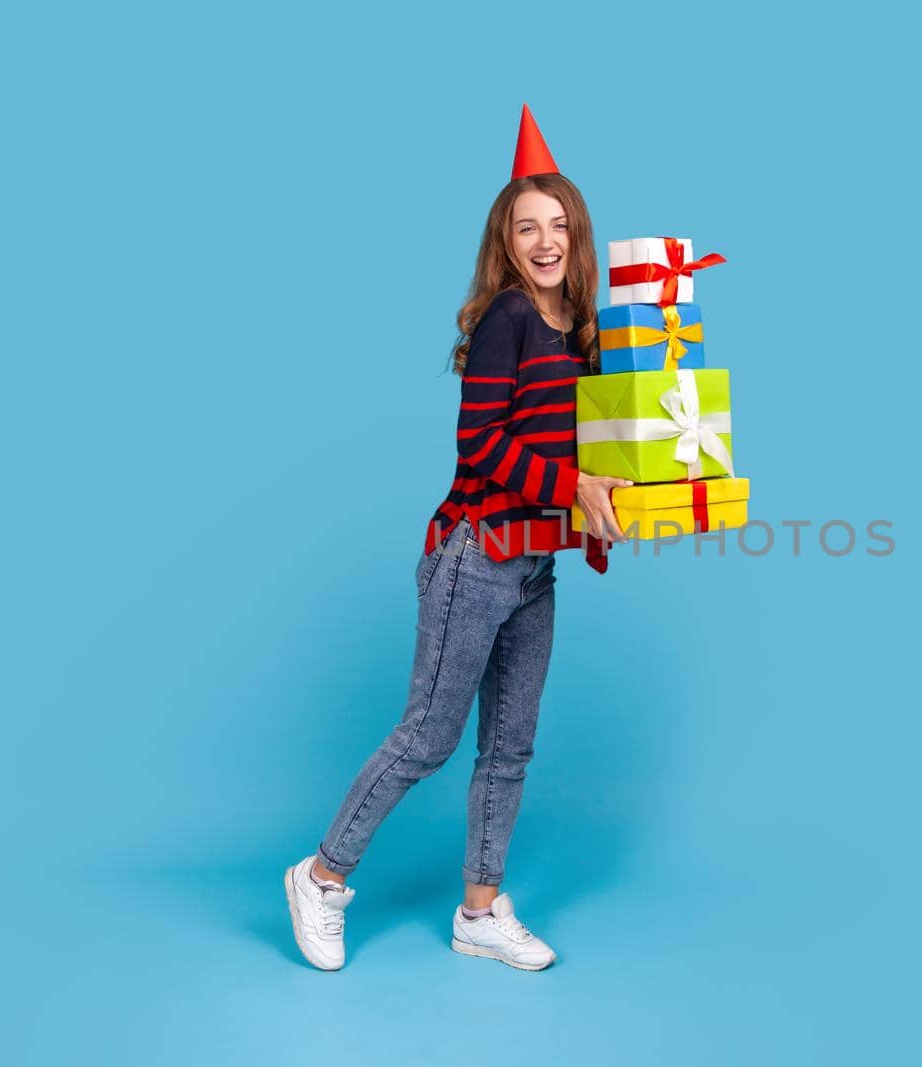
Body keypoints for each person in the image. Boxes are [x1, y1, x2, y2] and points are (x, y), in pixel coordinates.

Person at [283, 107, 632, 972]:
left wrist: (618, 498)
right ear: (505, 239)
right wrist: (575, 489)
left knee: (510, 744)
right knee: (429, 736)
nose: (546, 241)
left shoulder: (581, 333)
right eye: (528, 226)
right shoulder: (507, 319)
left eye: (559, 225)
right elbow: (481, 448)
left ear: (578, 236)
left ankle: (480, 911)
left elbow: (582, 448)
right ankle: (321, 877)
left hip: (534, 566)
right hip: (476, 557)